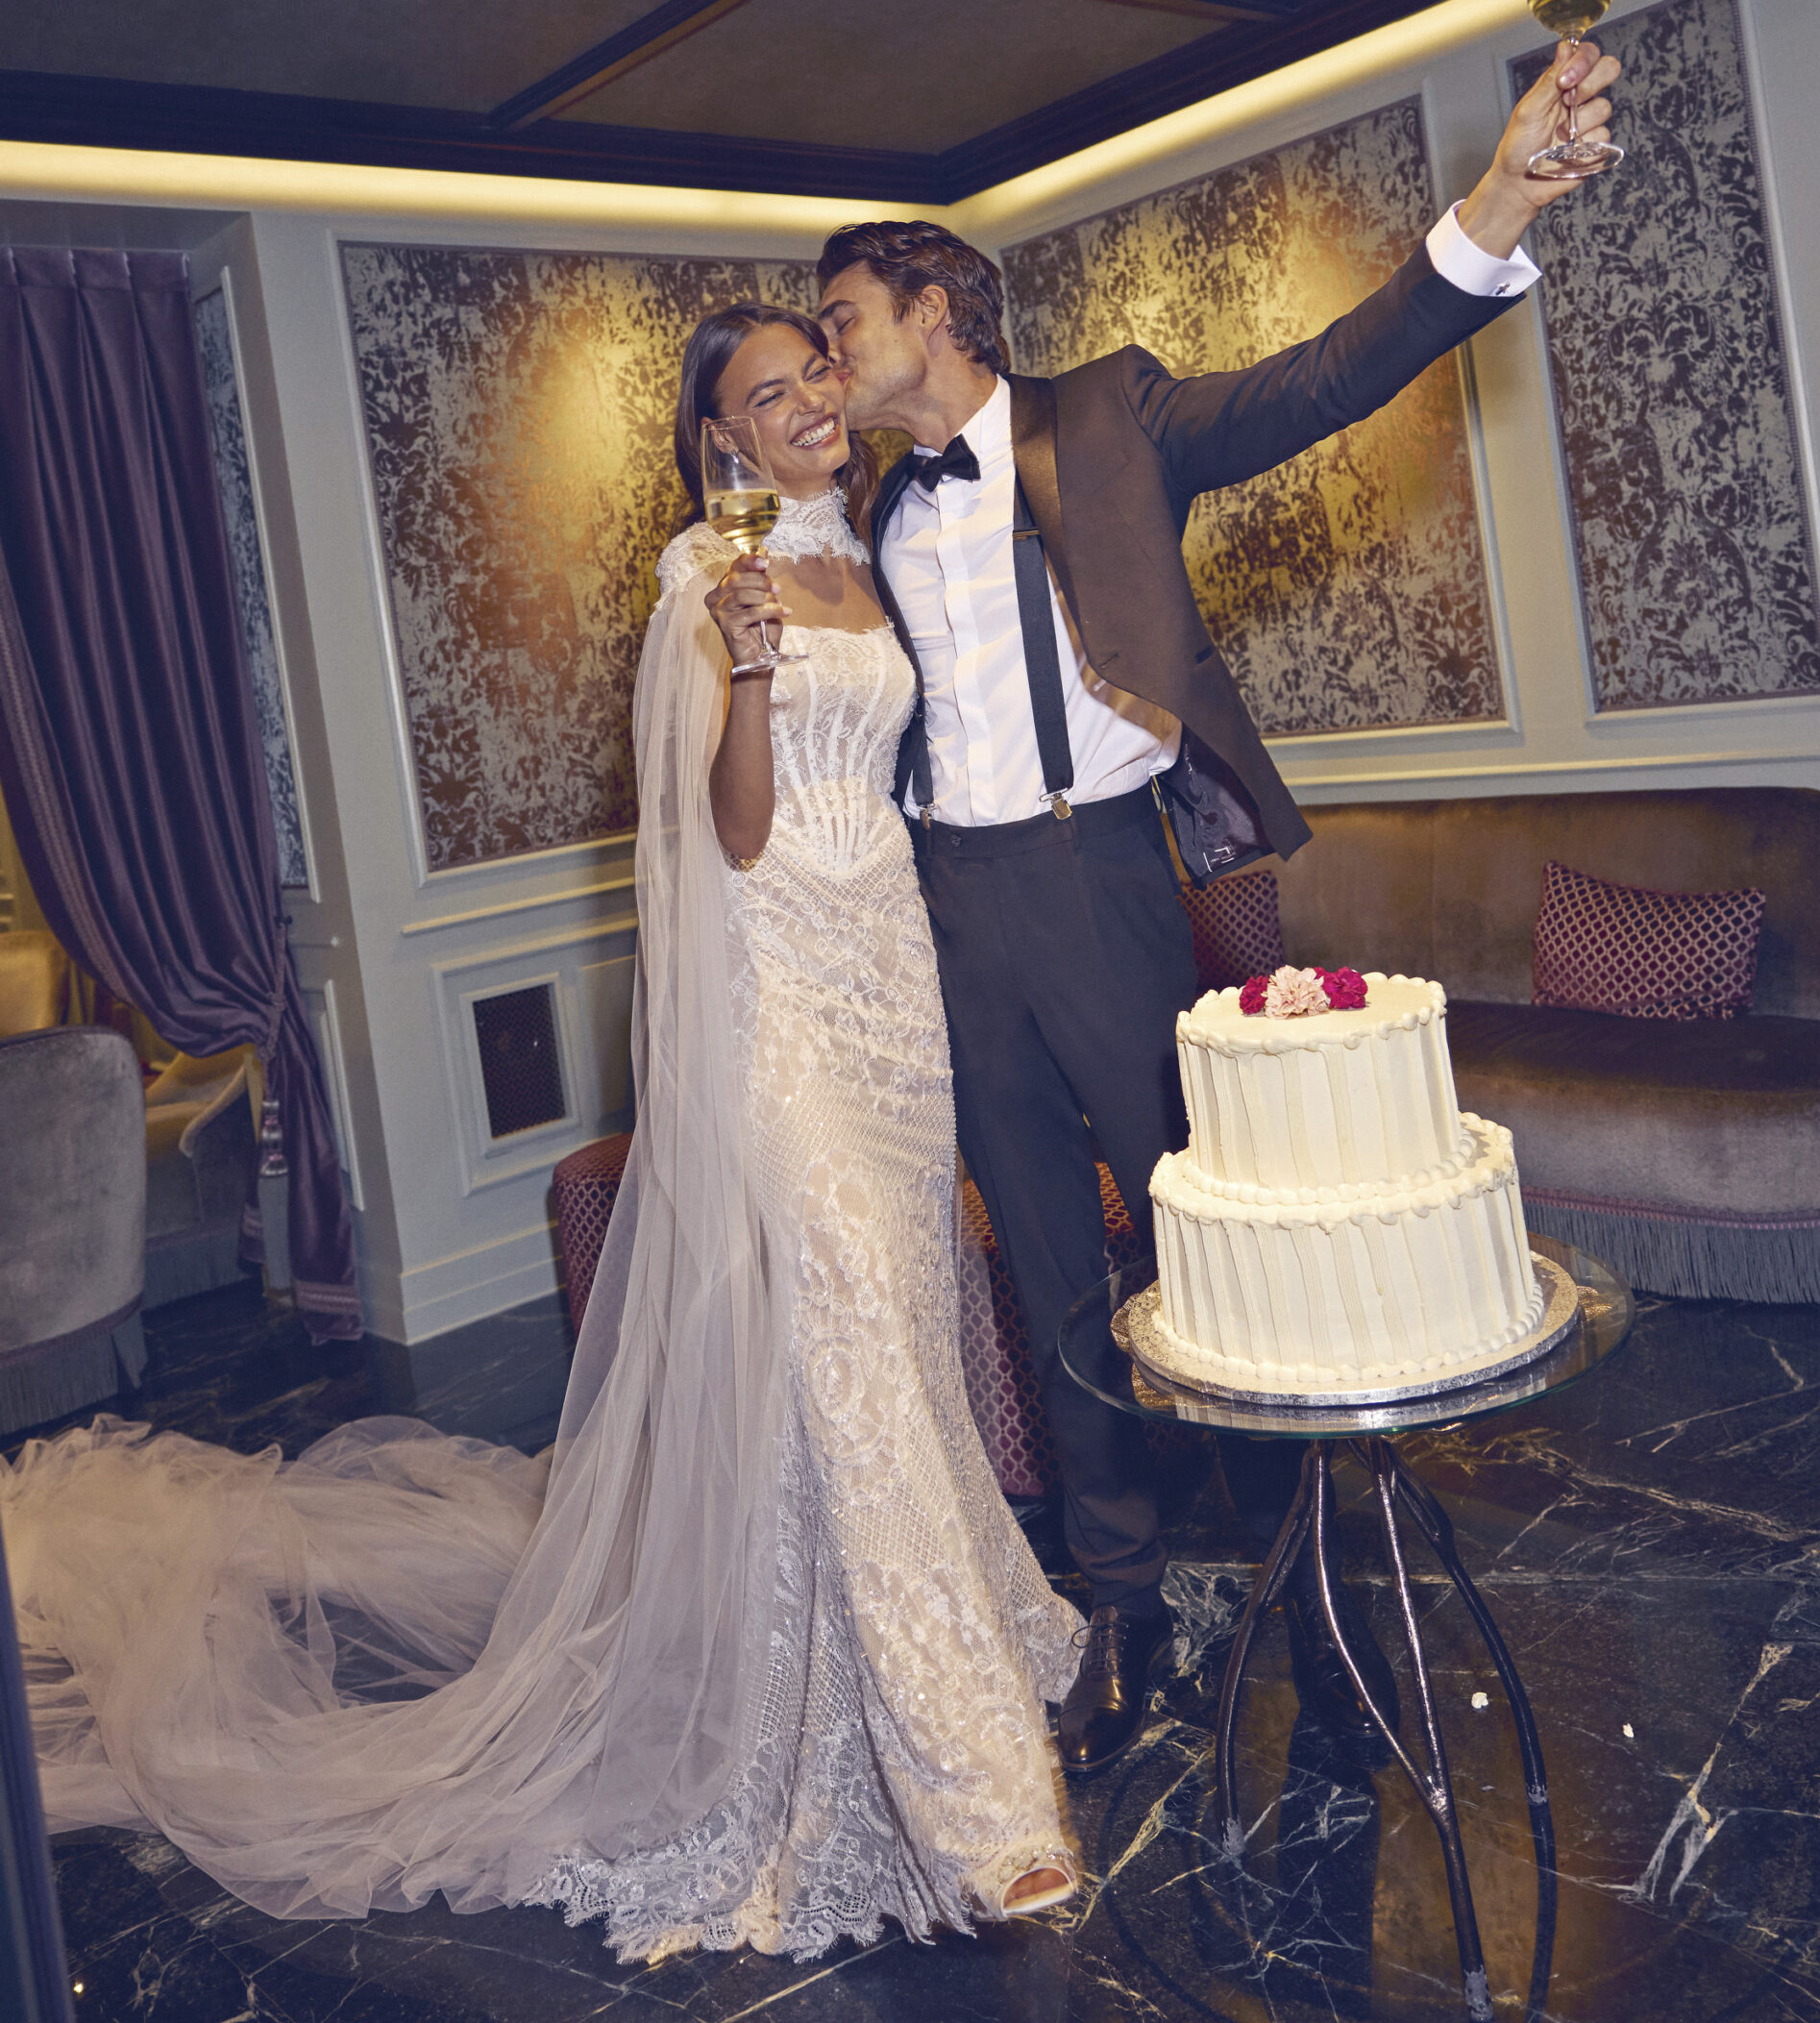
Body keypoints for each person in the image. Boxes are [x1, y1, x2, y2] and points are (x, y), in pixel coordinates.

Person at [0, 305, 1078, 1959]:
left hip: (896, 987)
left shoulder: (870, 552)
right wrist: (749, 665)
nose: (809, 403)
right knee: (857, 1317)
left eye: (813, 373)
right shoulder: (704, 579)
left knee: (891, 1330)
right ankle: (977, 1793)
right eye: (768, 394)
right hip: (785, 1001)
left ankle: (888, 1639)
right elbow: (733, 833)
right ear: (721, 438)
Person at [814, 37, 1620, 1776]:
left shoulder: (1109, 416)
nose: (830, 351)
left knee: (1209, 1250)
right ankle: (1121, 1608)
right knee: (1046, 1266)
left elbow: (1329, 375)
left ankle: (1311, 1602)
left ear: (939, 313)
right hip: (949, 909)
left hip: (1100, 879)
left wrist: (1499, 200)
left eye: (845, 319)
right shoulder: (872, 508)